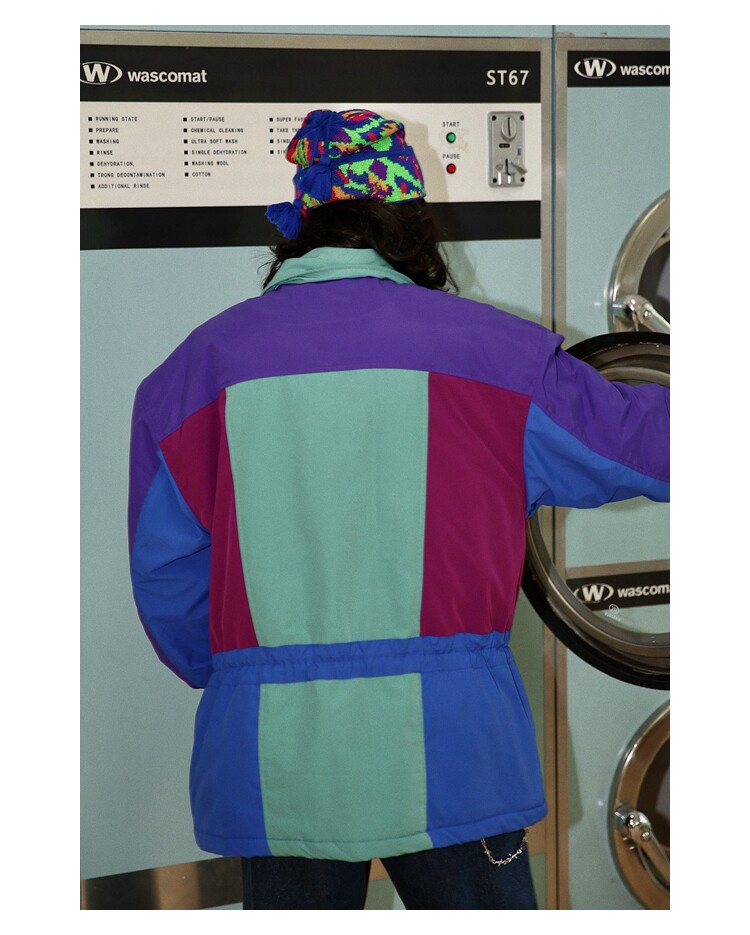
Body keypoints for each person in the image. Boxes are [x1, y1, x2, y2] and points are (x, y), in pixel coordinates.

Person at [128, 108, 669, 910]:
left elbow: (167, 578)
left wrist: (245, 676)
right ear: (411, 221)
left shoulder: (195, 372)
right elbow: (645, 445)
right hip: (457, 754)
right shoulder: (496, 355)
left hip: (277, 756)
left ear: (301, 223)